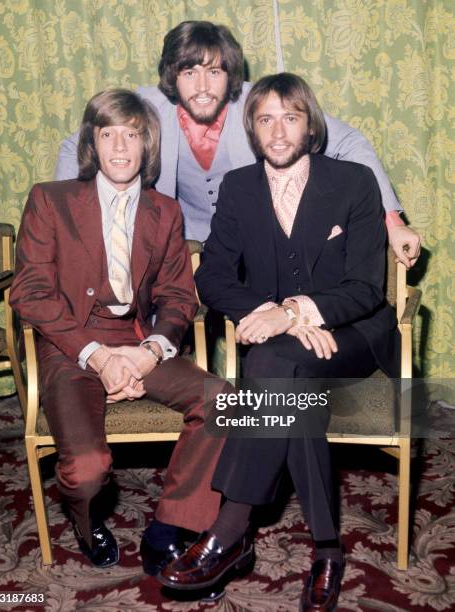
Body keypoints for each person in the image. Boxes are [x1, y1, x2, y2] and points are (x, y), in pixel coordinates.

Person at [159, 73, 400, 610]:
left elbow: (365, 287)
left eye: (290, 117)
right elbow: (213, 274)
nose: (279, 129)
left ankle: (229, 530)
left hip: (353, 335)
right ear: (252, 128)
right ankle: (328, 548)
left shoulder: (355, 181)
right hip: (284, 352)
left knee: (272, 361)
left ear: (309, 124)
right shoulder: (240, 188)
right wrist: (263, 313)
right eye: (266, 118)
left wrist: (293, 312)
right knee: (286, 378)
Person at [10, 89, 231, 570]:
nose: (119, 147)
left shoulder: (165, 211)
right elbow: (28, 293)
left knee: (224, 402)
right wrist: (97, 356)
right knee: (87, 470)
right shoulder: (50, 200)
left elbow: (178, 298)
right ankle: (86, 522)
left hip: (136, 342)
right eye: (107, 134)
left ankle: (172, 522)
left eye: (131, 135)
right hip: (69, 345)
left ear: (146, 144)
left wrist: (150, 350)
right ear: (92, 141)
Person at [55, 20, 420, 268]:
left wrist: (392, 220)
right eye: (189, 72)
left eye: (214, 72)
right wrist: (79, 227)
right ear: (171, 76)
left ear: (231, 74)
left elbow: (350, 142)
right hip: (182, 247)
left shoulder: (260, 103)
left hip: (258, 243)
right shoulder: (147, 106)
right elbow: (75, 147)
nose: (201, 87)